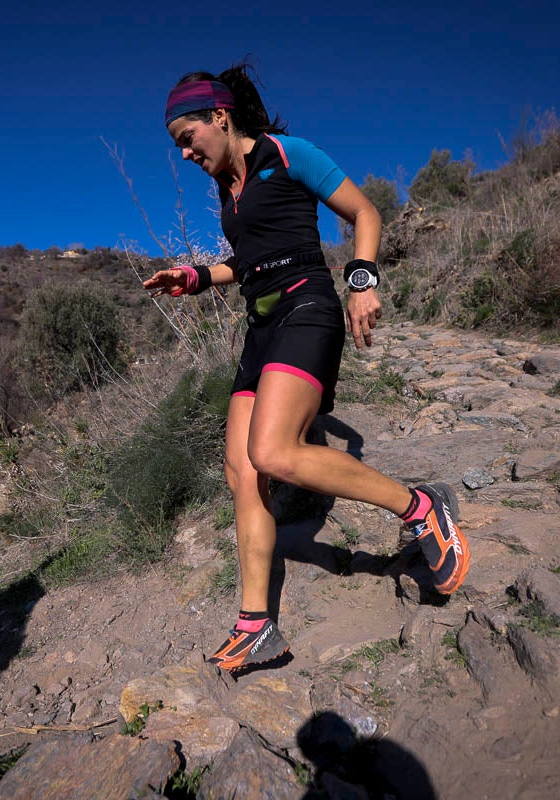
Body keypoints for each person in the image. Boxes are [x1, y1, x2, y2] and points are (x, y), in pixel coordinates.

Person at [144, 64, 471, 672]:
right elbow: (245, 266)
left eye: (189, 137)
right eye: (178, 146)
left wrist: (362, 282)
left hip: (308, 307)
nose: (185, 153)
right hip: (262, 326)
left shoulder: (288, 155)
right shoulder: (228, 192)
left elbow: (365, 214)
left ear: (221, 117)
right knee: (243, 472)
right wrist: (193, 277)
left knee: (271, 452)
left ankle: (422, 507)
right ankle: (256, 625)